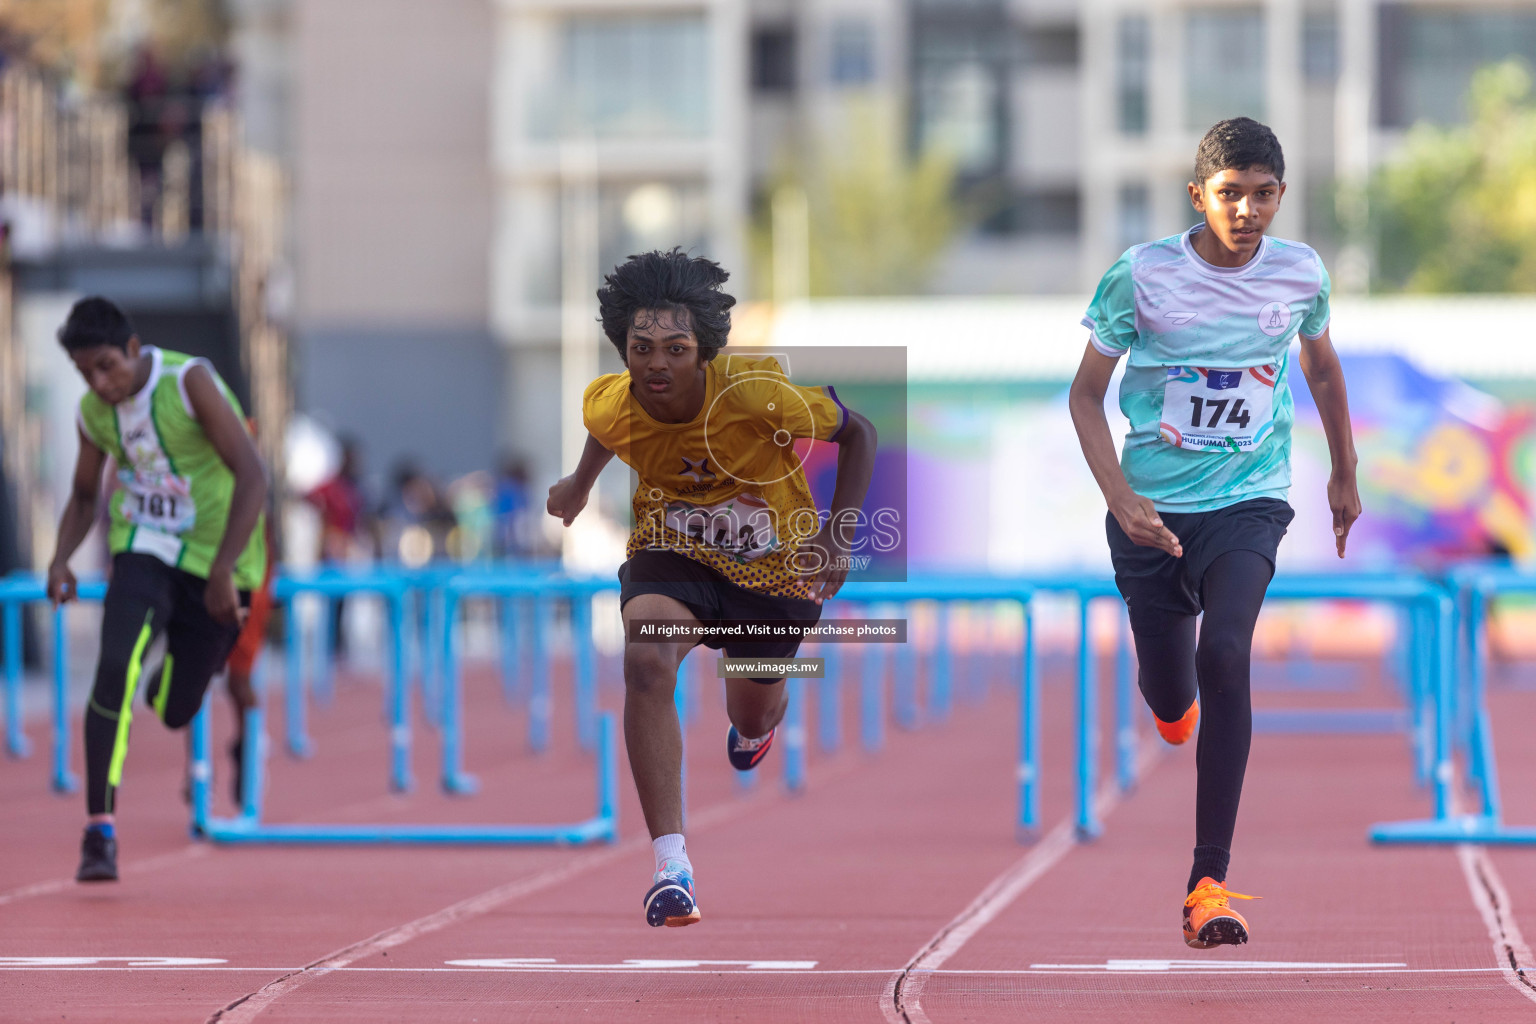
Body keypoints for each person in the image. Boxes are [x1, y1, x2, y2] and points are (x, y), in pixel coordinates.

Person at [1068, 118, 1360, 948]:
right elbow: (1085, 397)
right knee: (1171, 693)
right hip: (1152, 514)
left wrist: (1342, 470)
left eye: (1264, 194)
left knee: (1226, 651)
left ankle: (1208, 884)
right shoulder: (1141, 276)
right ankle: (1170, 707)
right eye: (1231, 194)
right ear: (1199, 196)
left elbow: (1323, 367)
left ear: (1280, 196)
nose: (1249, 209)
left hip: (1249, 501)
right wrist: (1123, 499)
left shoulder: (1301, 273)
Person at [547, 248, 877, 928]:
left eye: (675, 349)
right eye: (641, 349)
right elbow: (604, 430)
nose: (656, 365)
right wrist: (580, 486)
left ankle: (760, 717)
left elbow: (860, 434)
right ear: (624, 348)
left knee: (751, 712)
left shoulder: (753, 393)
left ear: (704, 352)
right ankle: (672, 866)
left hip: (775, 570)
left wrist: (836, 537)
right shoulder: (610, 401)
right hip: (675, 553)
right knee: (645, 657)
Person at [46, 297, 267, 883]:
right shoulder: (93, 412)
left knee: (176, 710)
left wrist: (224, 569)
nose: (99, 383)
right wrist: (60, 558)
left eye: (106, 367)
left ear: (134, 349)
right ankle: (99, 832)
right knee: (113, 667)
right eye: (84, 373)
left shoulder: (187, 380)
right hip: (144, 544)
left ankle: (171, 683)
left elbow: (253, 474)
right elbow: (86, 494)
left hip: (219, 557)